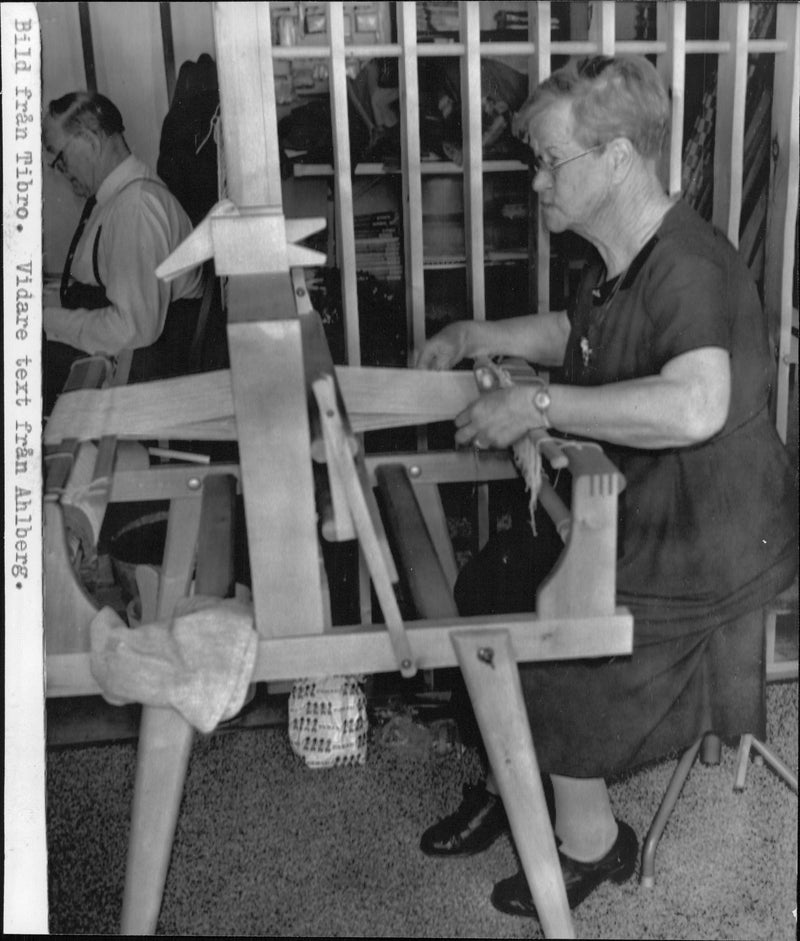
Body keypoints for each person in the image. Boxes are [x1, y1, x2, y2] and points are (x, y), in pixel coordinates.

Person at [415, 55, 798, 920]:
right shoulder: (620, 256)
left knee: (560, 636)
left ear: (618, 157)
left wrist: (539, 405)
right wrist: (479, 331)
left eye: (550, 161)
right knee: (491, 585)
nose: (537, 180)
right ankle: (511, 780)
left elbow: (697, 403)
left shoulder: (691, 267)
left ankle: (591, 841)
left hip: (715, 538)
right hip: (650, 509)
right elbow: (577, 330)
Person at [42, 91, 205, 414]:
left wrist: (44, 321)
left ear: (90, 139)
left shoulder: (136, 208)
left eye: (60, 158)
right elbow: (97, 280)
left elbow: (133, 329)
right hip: (130, 366)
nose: (61, 171)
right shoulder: (121, 197)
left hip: (143, 383)